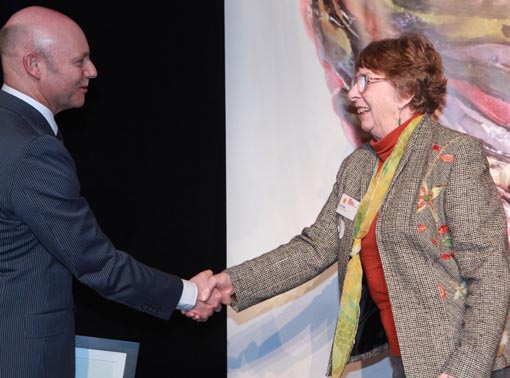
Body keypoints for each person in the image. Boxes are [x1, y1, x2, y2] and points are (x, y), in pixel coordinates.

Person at [187, 33, 510, 377]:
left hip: (463, 364)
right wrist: (231, 282)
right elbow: (316, 247)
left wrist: (465, 369)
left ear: (407, 92)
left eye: (365, 81)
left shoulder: (453, 156)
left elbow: (490, 272)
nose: (353, 92)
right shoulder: (359, 166)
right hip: (411, 362)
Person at [0, 6, 230, 378]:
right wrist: (189, 294)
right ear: (34, 65)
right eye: (81, 60)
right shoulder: (31, 150)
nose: (92, 71)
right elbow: (97, 264)